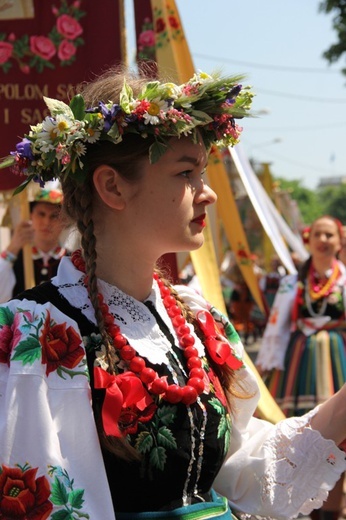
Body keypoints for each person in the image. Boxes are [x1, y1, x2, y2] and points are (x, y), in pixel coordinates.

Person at [0, 67, 345, 520]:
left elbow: (241, 473)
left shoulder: (197, 322)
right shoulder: (37, 335)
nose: (208, 195)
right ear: (112, 186)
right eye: (187, 173)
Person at [256, 215, 346, 520]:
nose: (323, 240)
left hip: (337, 359)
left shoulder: (345, 278)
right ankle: (296, 507)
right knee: (299, 437)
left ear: (339, 241)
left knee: (339, 438)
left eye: (329, 235)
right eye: (318, 234)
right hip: (298, 361)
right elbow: (276, 326)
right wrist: (266, 367)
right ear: (308, 239)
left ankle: (331, 511)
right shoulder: (292, 282)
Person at [0, 187, 68, 302]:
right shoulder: (15, 259)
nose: (47, 222)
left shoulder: (73, 261)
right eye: (41, 214)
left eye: (54, 216)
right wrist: (13, 248)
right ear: (30, 216)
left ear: (64, 221)